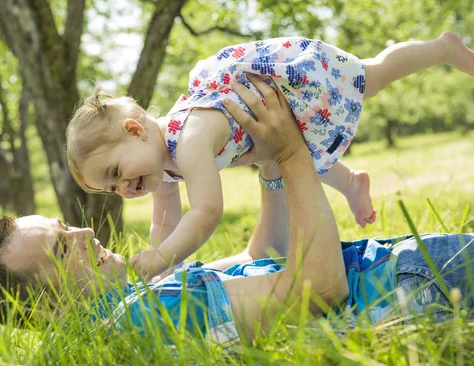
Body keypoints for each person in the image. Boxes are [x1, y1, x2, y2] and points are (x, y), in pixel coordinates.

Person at [0, 77, 474, 343]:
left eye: (64, 225)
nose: (81, 231)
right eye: (61, 248)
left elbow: (266, 255)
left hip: (414, 268)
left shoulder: (139, 297)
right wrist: (295, 152)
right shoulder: (143, 316)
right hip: (419, 285)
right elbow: (320, 289)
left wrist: (271, 163)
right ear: (44, 309)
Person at [66, 33, 474, 282]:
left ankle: (440, 49)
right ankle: (351, 182)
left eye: (116, 172)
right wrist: (164, 266)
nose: (123, 188)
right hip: (276, 129)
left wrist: (160, 256)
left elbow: (206, 212)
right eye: (112, 188)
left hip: (290, 84)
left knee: (370, 77)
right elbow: (165, 221)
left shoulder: (189, 139)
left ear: (135, 131)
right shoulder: (159, 169)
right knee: (294, 148)